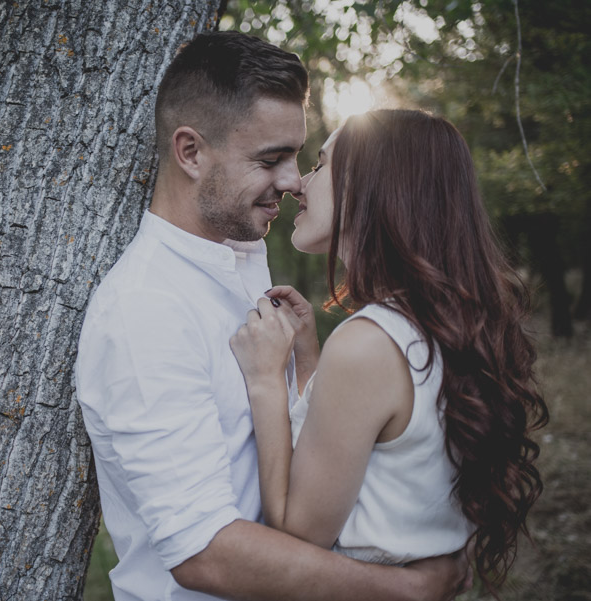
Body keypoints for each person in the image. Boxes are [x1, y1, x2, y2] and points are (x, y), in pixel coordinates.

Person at [75, 32, 468, 601]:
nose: (291, 180)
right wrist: (407, 590)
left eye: (298, 156)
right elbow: (203, 551)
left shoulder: (241, 261)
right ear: (190, 152)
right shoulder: (146, 311)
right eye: (270, 160)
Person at [230, 109, 549, 596]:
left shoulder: (369, 345)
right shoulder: (439, 324)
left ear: (371, 186)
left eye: (320, 165)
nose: (299, 184)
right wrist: (310, 361)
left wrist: (266, 379)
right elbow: (381, 466)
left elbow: (298, 533)